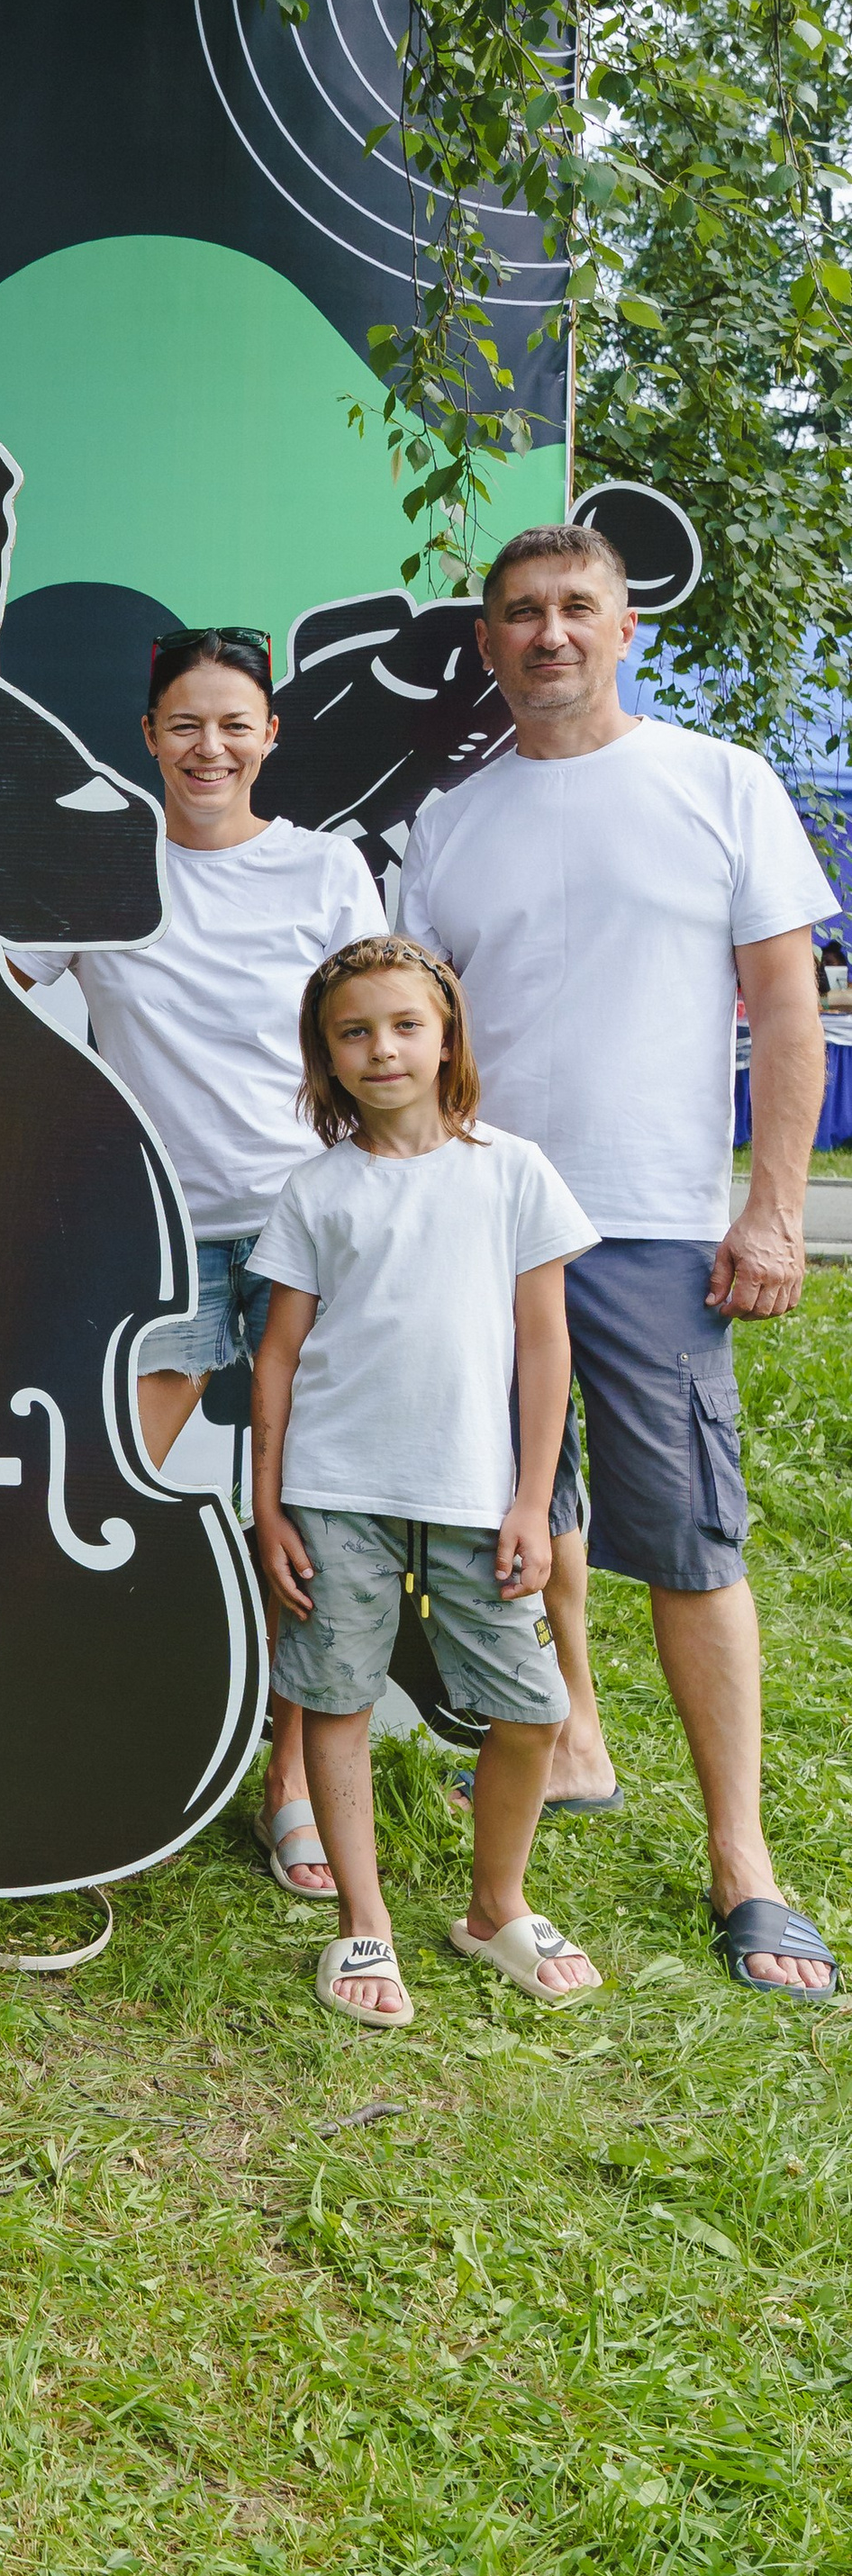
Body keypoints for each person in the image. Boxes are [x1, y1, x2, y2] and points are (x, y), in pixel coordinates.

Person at [400, 521, 838, 1993]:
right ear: (488, 643)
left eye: (577, 607)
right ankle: (571, 1734)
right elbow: (420, 1039)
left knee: (690, 1543)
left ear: (627, 624)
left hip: (651, 1220)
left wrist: (772, 1210)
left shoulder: (722, 784)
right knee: (528, 1511)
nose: (550, 634)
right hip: (488, 1223)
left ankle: (745, 1863)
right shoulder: (451, 821)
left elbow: (787, 1011)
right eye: (521, 613)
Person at [10, 628, 385, 1901]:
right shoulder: (105, 869)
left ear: (270, 734)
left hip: (308, 1233)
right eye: (184, 724)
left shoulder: (328, 870)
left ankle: (291, 1782)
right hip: (152, 1236)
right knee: (106, 1486)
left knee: (307, 1515)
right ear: (150, 740)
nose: (209, 747)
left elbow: (376, 1042)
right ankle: (64, 1737)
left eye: (234, 722)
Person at [251, 937, 603, 2025]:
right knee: (335, 1700)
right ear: (325, 1055)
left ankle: (495, 1904)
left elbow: (543, 1350)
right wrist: (267, 1506)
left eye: (404, 1024)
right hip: (334, 1491)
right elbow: (276, 1357)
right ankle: (363, 1925)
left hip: (475, 1495)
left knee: (531, 1708)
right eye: (352, 1031)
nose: (381, 1049)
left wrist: (532, 1501)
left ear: (446, 1034)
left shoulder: (512, 1171)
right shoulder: (316, 1192)